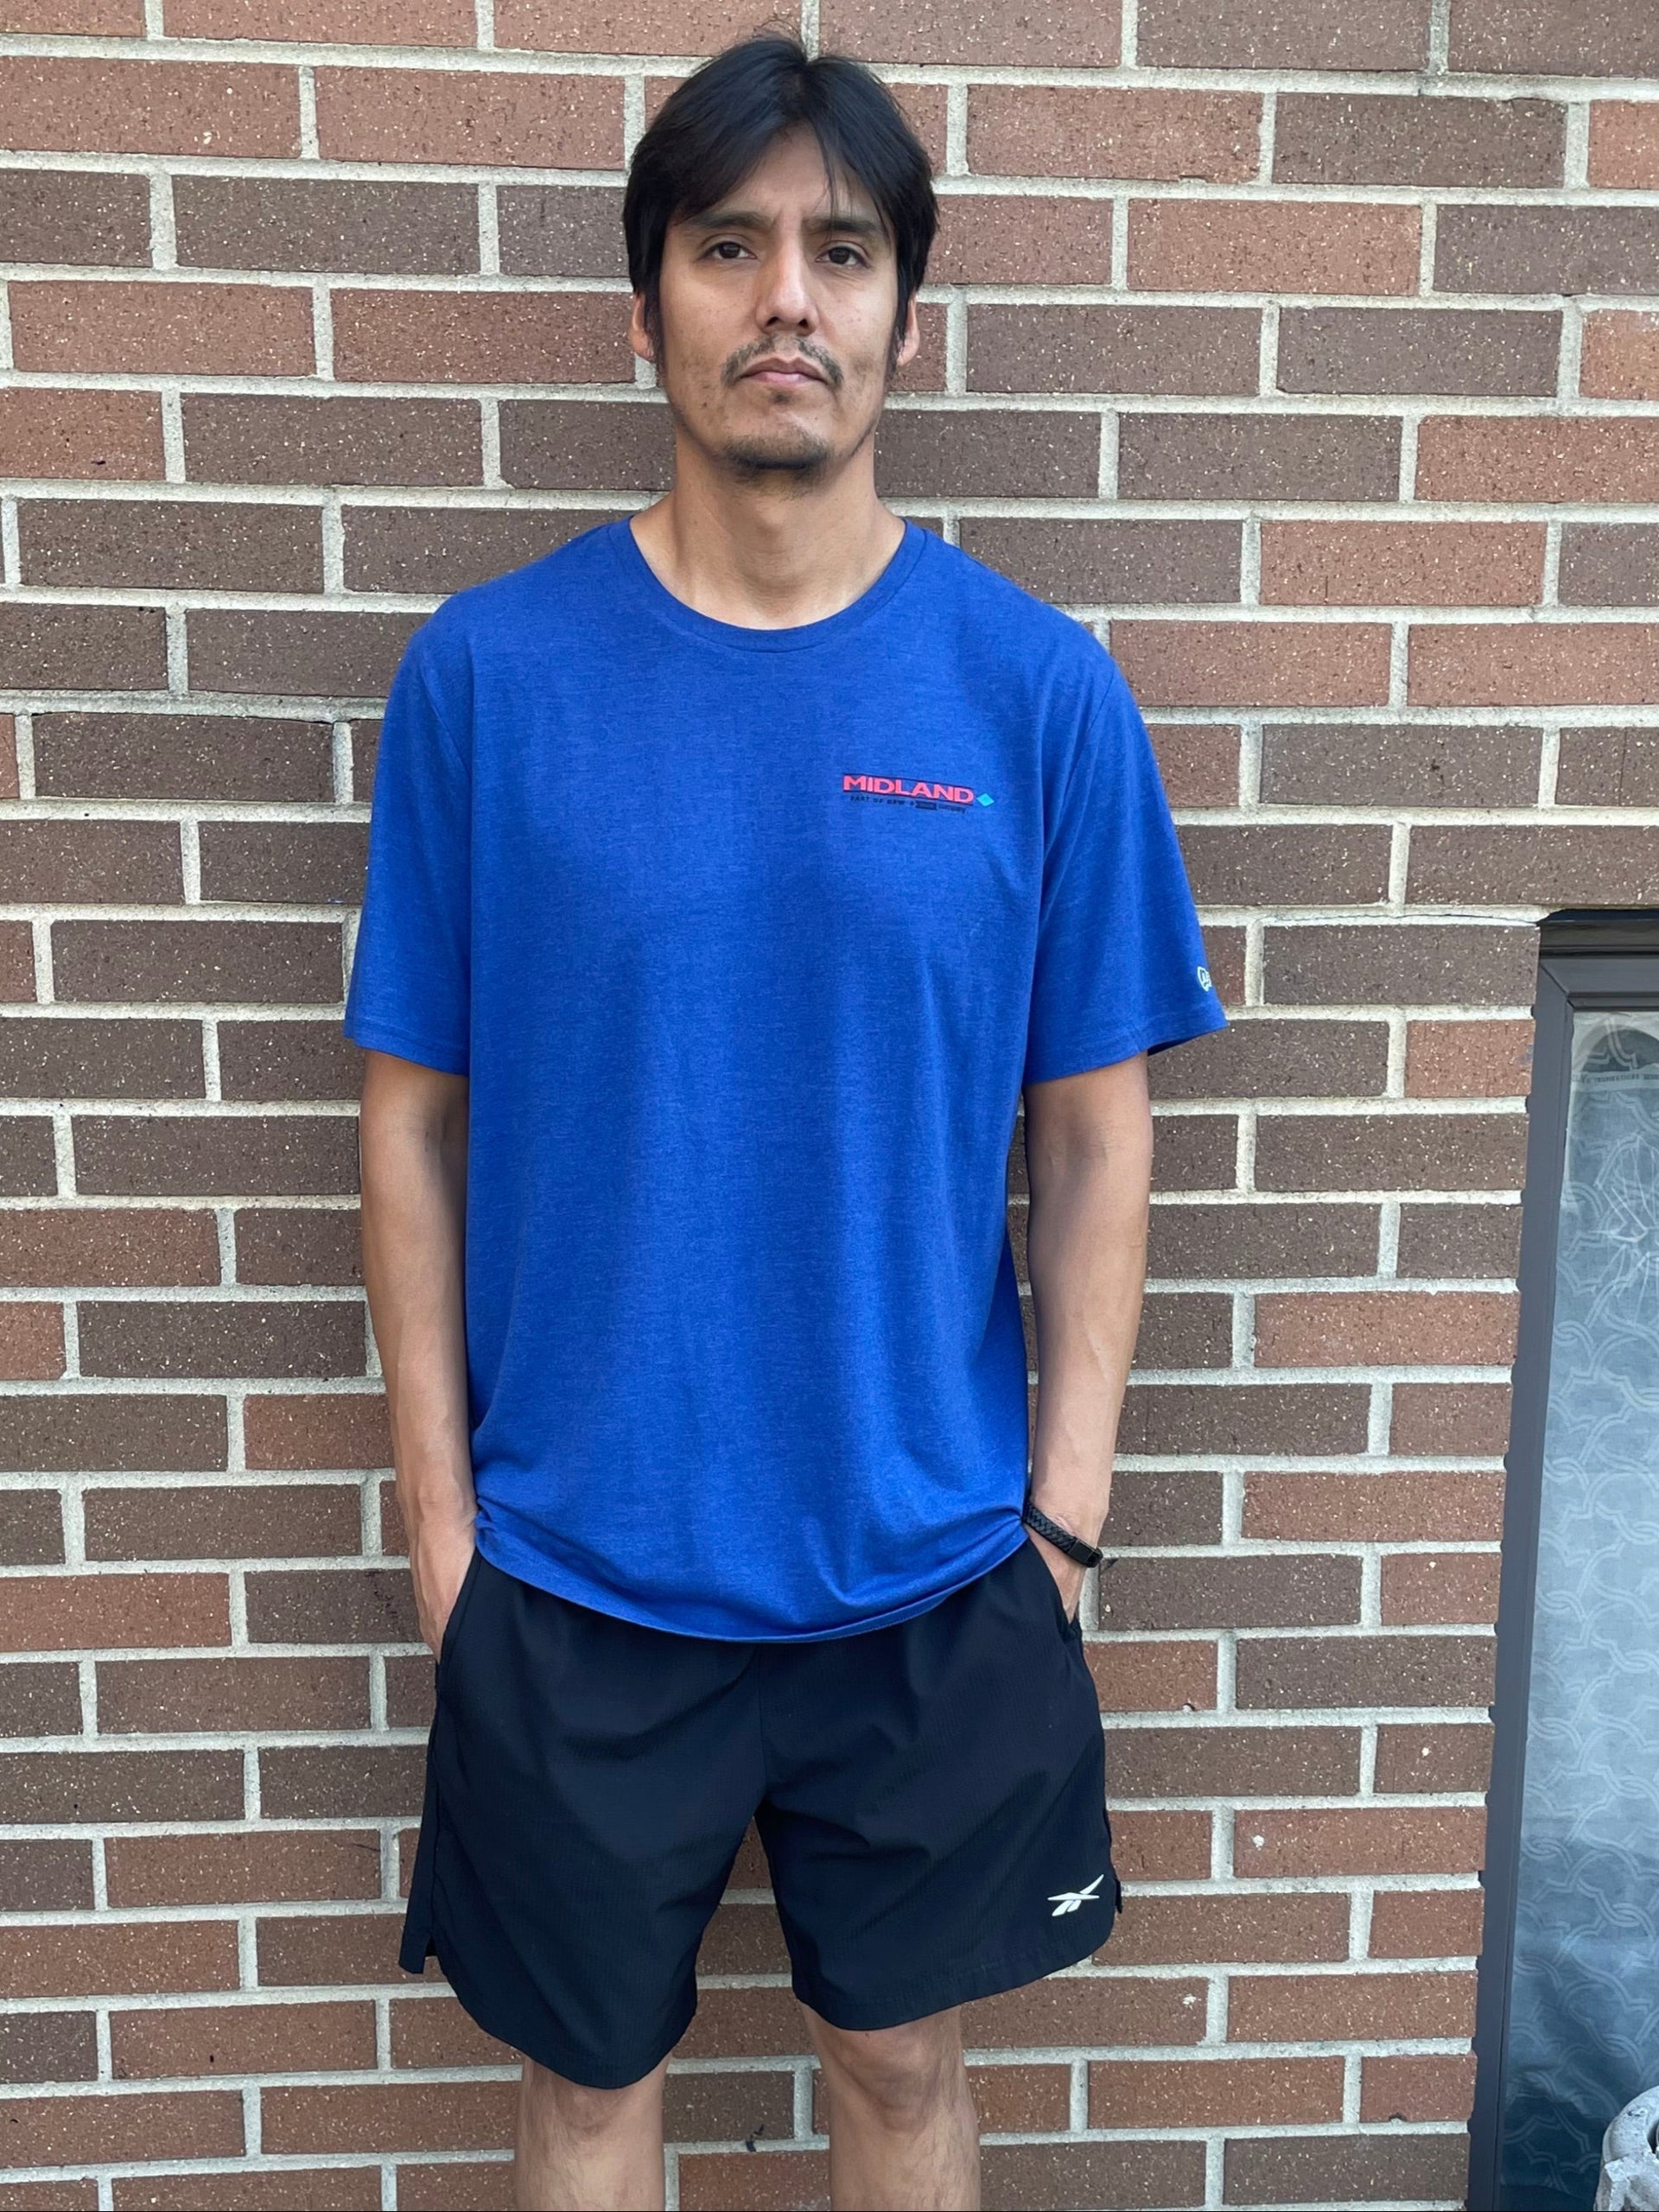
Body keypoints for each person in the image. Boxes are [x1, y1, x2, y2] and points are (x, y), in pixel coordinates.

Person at [343, 29, 1227, 2211]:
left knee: (906, 2072)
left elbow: (1101, 1137)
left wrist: (1066, 1532)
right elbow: (405, 1126)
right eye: (727, 246)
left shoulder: (1037, 694)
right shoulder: (488, 679)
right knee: (578, 2102)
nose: (787, 302)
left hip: (929, 1572)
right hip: (573, 1567)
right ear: (646, 300)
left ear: (906, 311)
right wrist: (448, 1539)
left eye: (840, 250)